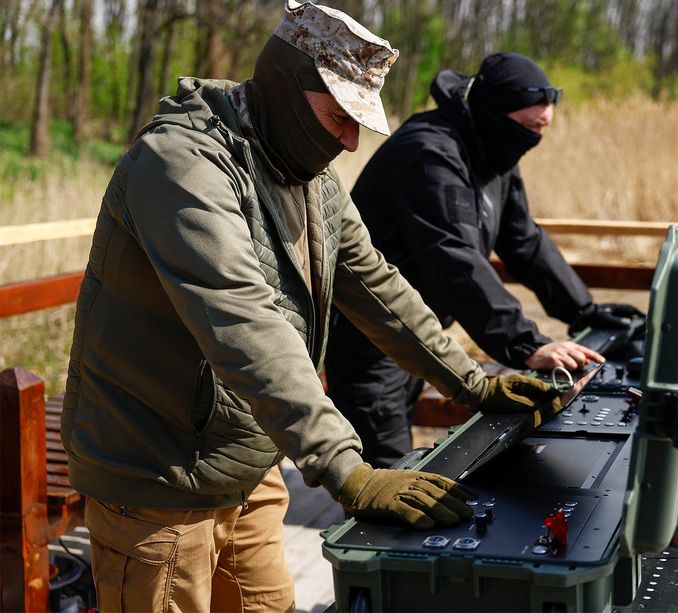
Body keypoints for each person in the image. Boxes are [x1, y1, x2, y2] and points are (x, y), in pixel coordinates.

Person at [61, 3, 560, 611]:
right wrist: (347, 469)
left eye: (359, 125)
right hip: (155, 479)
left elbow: (376, 284)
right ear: (286, 90)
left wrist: (472, 383)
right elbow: (242, 319)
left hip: (248, 463)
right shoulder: (181, 166)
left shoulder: (308, 172)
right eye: (337, 118)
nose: (350, 143)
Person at [325, 52, 642, 467]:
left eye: (541, 130)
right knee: (389, 471)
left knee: (402, 460)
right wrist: (525, 344)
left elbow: (524, 241)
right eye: (528, 128)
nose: (533, 139)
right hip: (370, 337)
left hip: (417, 336)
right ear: (496, 113)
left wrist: (583, 310)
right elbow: (453, 258)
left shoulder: (492, 151)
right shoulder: (429, 154)